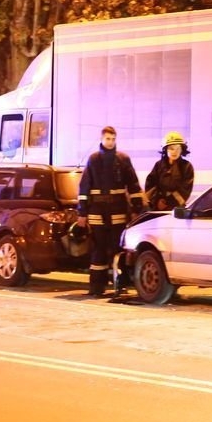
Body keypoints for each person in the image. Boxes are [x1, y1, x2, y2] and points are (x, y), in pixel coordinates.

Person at [77, 126, 144, 297]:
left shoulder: (123, 159)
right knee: (98, 249)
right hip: (97, 212)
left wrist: (137, 209)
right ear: (101, 139)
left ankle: (119, 286)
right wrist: (82, 213)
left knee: (117, 249)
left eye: (113, 139)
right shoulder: (93, 159)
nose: (110, 142)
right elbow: (84, 188)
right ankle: (96, 287)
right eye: (108, 139)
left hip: (117, 210)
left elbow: (133, 185)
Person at [145, 131, 195, 212]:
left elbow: (185, 190)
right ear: (165, 150)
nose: (174, 151)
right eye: (171, 148)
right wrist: (157, 201)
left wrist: (168, 203)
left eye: (178, 148)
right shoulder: (158, 165)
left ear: (182, 150)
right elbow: (150, 185)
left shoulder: (186, 166)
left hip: (177, 210)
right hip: (157, 208)